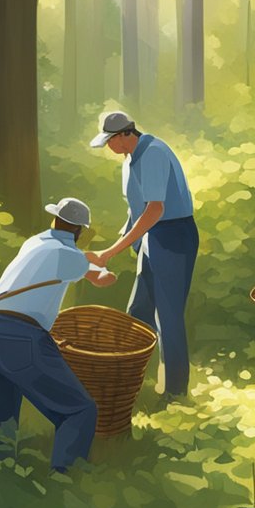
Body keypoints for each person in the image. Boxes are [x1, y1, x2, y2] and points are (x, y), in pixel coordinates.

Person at [0, 197, 117, 472]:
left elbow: (73, 258)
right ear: (79, 231)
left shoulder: (34, 243)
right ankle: (65, 478)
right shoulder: (69, 257)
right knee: (79, 410)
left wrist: (88, 258)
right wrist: (104, 269)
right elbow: (99, 278)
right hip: (20, 336)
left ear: (55, 220)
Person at [89, 111, 199, 398]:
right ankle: (130, 382)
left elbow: (155, 210)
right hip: (152, 238)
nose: (109, 148)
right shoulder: (129, 160)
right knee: (138, 313)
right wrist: (125, 237)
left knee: (168, 316)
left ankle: (175, 392)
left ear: (126, 134)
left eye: (111, 141)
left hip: (173, 236)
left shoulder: (153, 154)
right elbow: (136, 208)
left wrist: (110, 252)